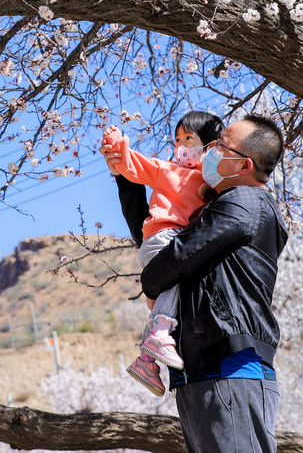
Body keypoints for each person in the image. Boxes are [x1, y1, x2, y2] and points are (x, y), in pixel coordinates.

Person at [104, 114, 288, 453]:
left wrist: (152, 280)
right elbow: (160, 238)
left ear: (244, 165)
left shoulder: (245, 202)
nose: (211, 151)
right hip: (199, 371)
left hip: (229, 368)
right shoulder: (217, 207)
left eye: (220, 145)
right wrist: (124, 179)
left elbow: (174, 259)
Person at [100, 111, 223, 397]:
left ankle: (146, 361)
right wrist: (118, 147)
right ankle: (158, 334)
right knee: (183, 272)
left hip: (169, 243)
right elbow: (135, 165)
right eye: (177, 139)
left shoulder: (215, 184)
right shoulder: (168, 170)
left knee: (174, 290)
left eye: (188, 138)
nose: (180, 145)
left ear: (212, 146)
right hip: (162, 239)